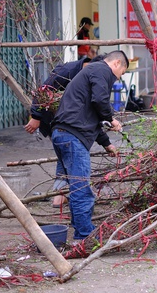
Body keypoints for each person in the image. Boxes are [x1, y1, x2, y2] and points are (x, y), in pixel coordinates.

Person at [50, 50, 128, 241]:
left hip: (63, 134)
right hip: (71, 137)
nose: (117, 79)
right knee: (82, 190)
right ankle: (85, 236)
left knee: (77, 188)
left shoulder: (91, 72)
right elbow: (100, 101)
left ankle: (80, 232)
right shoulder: (102, 70)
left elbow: (92, 113)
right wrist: (112, 118)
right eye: (122, 73)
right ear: (117, 63)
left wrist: (107, 144)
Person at [24, 53, 114, 208]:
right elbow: (43, 90)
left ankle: (59, 196)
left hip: (70, 124)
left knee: (66, 156)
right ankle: (64, 196)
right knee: (70, 153)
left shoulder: (92, 81)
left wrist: (106, 143)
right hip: (58, 121)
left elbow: (90, 117)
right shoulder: (68, 70)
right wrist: (36, 116)